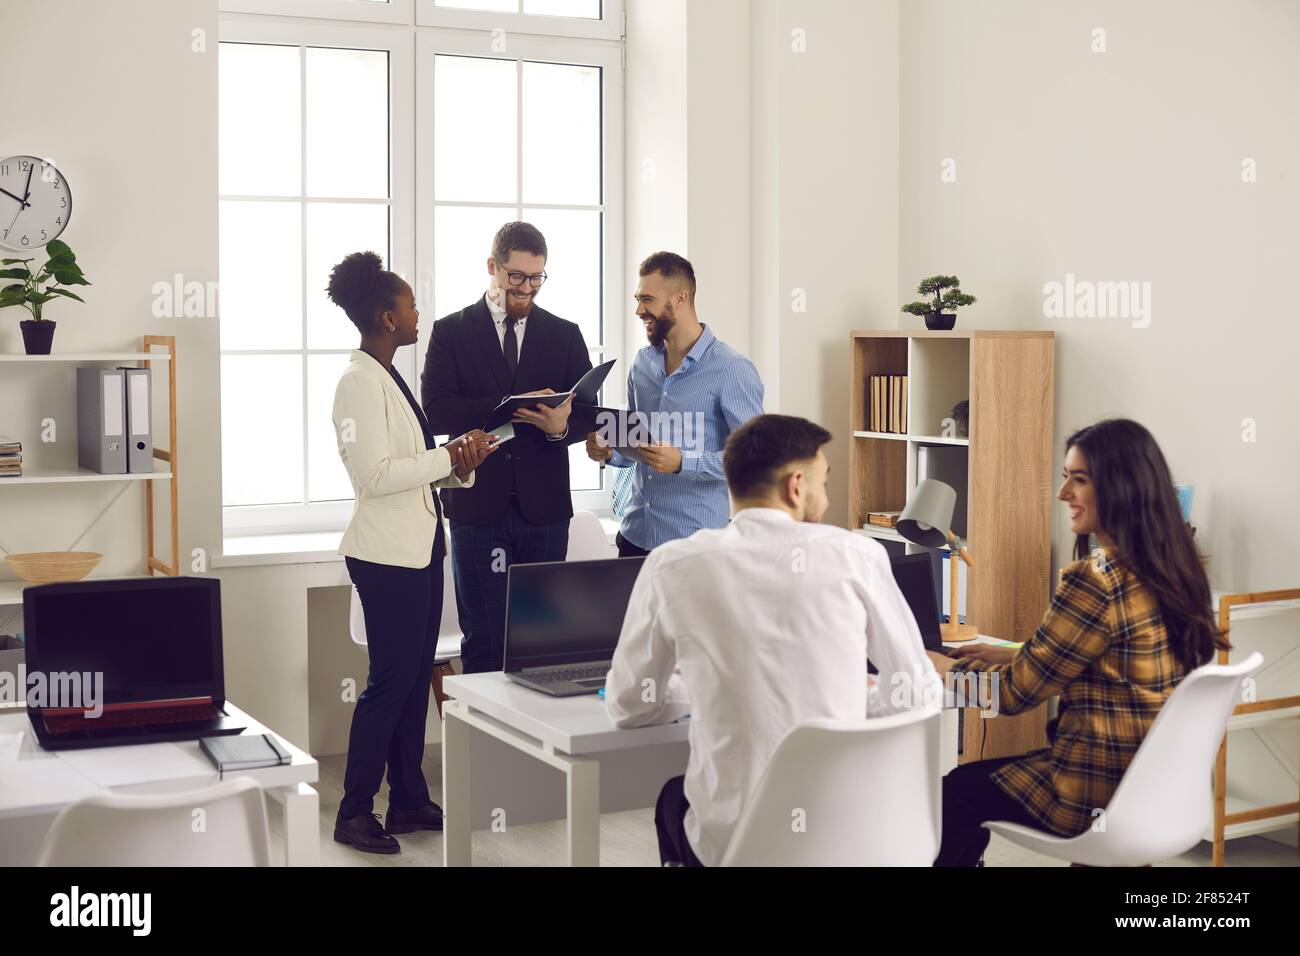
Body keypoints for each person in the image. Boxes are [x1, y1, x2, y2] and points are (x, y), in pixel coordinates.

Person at [604, 414, 940, 866]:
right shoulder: (857, 555)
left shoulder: (672, 564)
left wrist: (701, 689)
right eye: (825, 481)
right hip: (862, 841)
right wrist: (854, 692)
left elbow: (629, 706)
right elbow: (918, 692)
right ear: (796, 486)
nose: (826, 496)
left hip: (741, 849)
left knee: (672, 799)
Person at [929, 418, 1229, 867]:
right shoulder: (1176, 570)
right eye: (1065, 476)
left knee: (955, 793)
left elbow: (1012, 695)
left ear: (1121, 487)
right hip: (1150, 791)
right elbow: (1113, 658)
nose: (1062, 493)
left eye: (1079, 479)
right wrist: (1014, 652)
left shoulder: (1096, 580)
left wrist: (944, 670)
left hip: (1091, 790)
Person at [327, 251, 497, 854]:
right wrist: (447, 455)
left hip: (420, 547)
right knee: (390, 683)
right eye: (409, 303)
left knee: (412, 677)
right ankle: (353, 812)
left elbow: (413, 469)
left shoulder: (390, 374)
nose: (418, 310)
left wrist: (460, 462)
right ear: (387, 317)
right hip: (385, 556)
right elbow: (374, 476)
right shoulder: (358, 382)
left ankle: (407, 798)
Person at [421, 222, 595, 674]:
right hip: (477, 506)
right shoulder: (450, 332)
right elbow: (436, 412)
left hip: (546, 512)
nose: (526, 288)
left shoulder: (565, 334)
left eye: (536, 278)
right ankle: (482, 744)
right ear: (492, 268)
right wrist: (504, 409)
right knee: (483, 639)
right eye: (516, 277)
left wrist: (560, 427)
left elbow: (587, 413)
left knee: (542, 642)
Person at [586, 252, 764, 558]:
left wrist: (683, 462)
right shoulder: (642, 364)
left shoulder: (732, 369)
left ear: (680, 298)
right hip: (634, 539)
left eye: (647, 299)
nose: (639, 310)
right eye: (637, 299)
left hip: (695, 548)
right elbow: (637, 445)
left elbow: (756, 459)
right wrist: (611, 452)